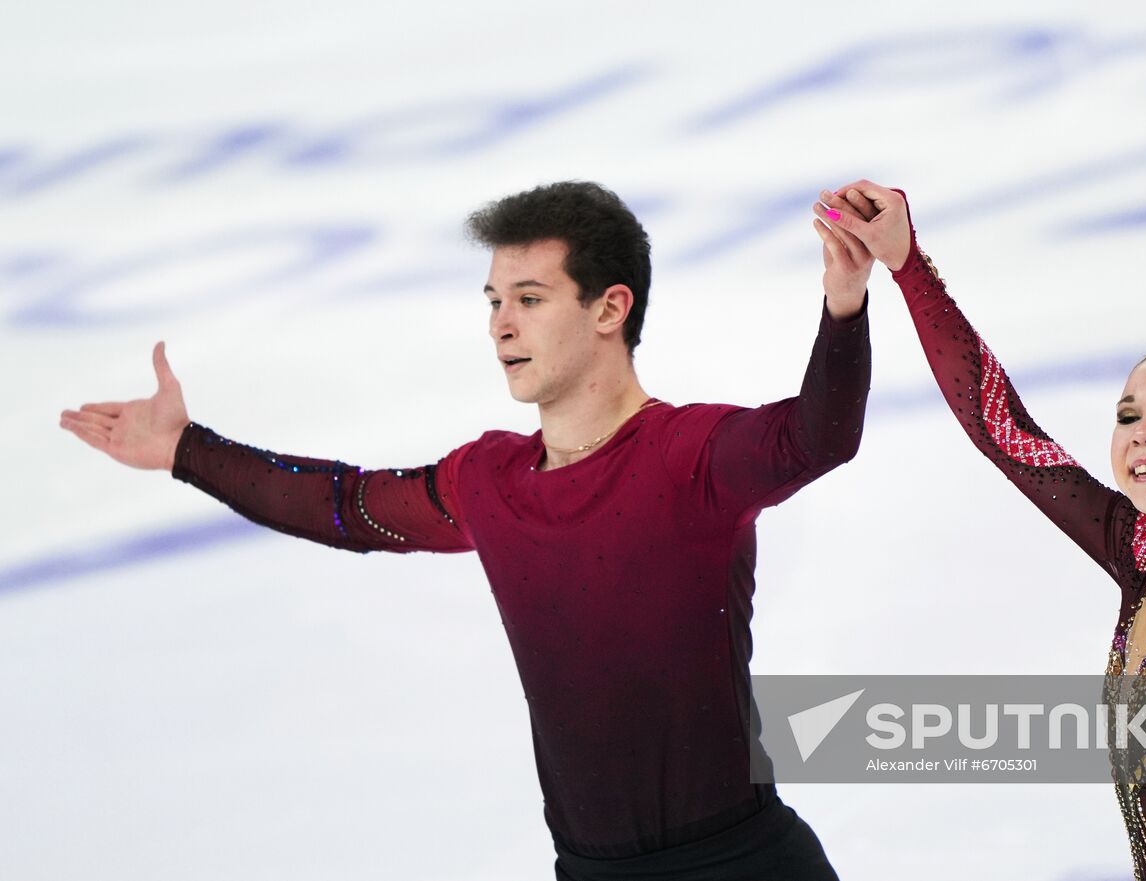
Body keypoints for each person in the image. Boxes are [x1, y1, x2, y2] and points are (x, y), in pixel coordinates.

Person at [59, 180, 875, 880]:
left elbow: (817, 435)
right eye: (493, 301)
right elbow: (347, 506)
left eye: (529, 299)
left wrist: (843, 308)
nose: (500, 326)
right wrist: (184, 449)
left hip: (739, 864)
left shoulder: (689, 455)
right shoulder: (491, 481)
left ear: (609, 308)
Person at [816, 181, 1146, 880]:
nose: (1144, 431)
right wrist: (907, 263)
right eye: (1128, 415)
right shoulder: (1140, 561)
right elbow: (1000, 429)